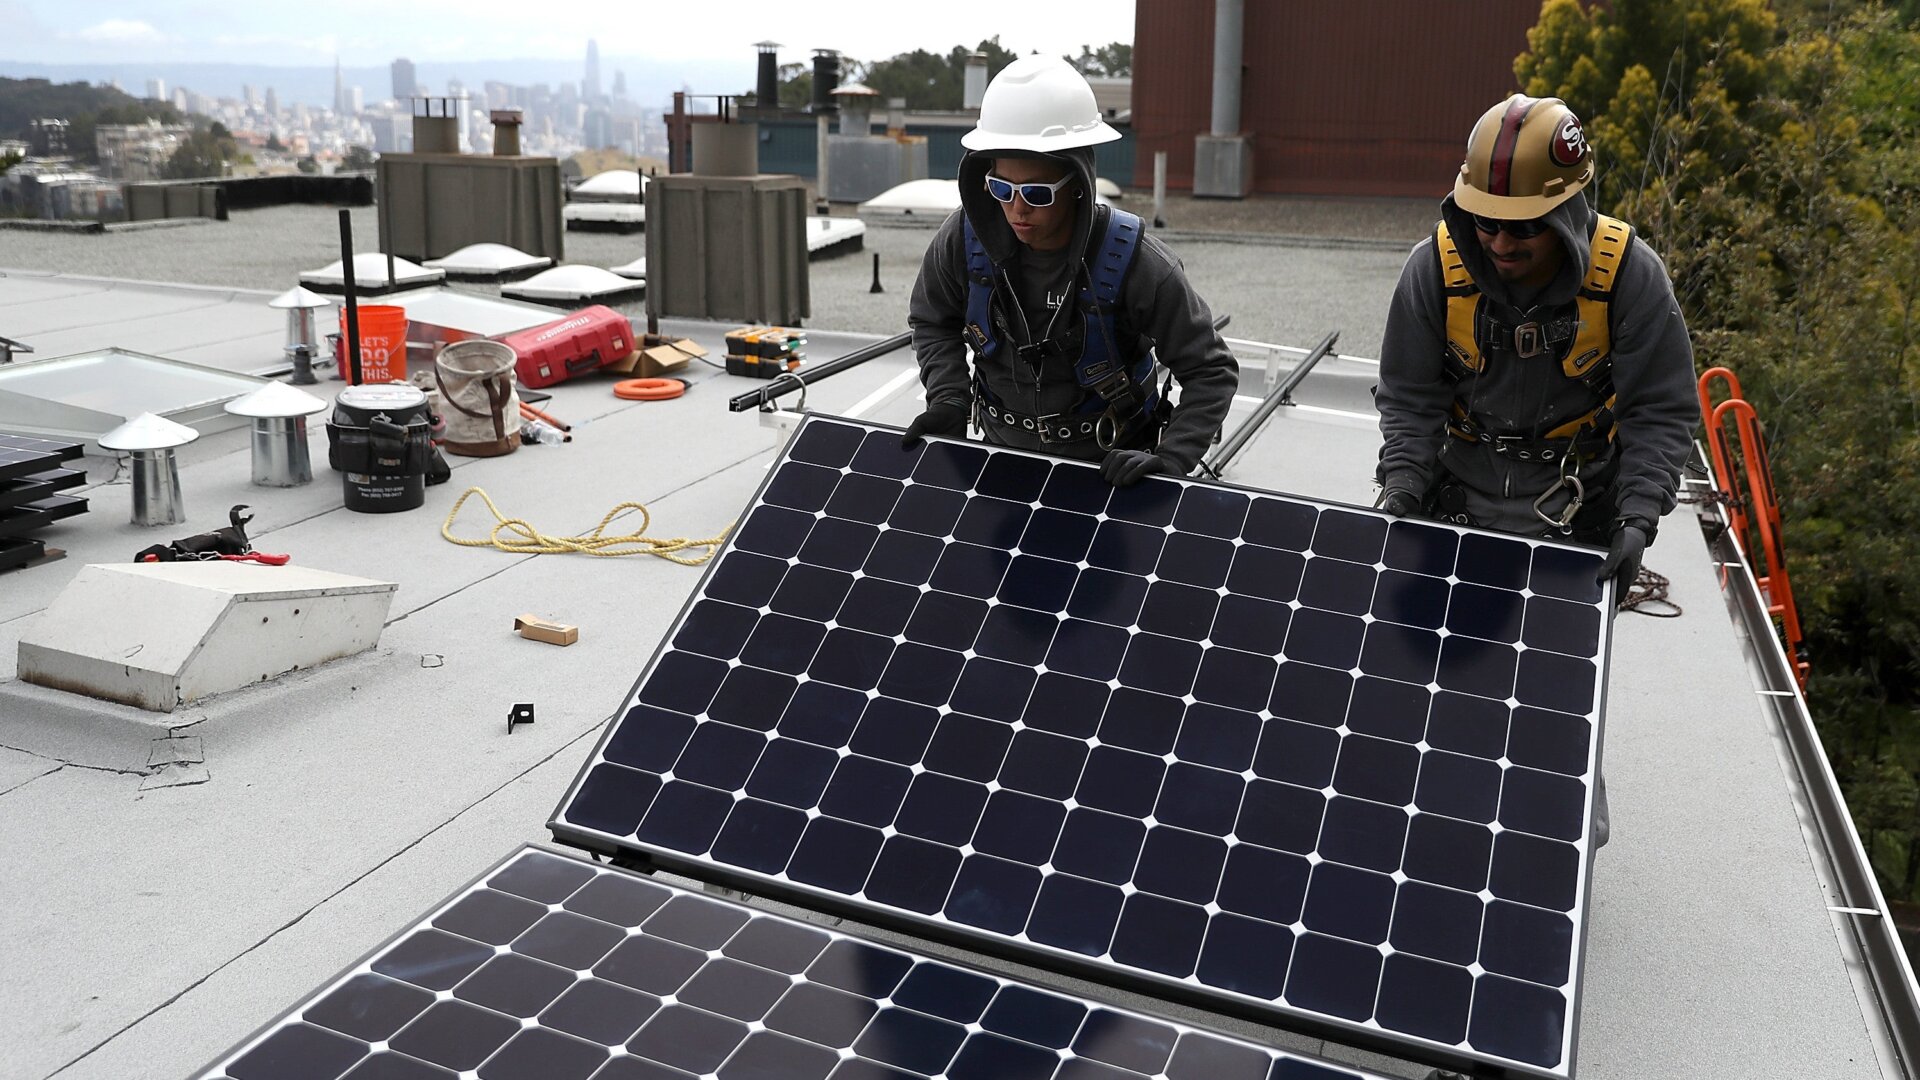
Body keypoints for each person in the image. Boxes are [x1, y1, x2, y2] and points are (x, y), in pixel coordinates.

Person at [1373, 93, 1699, 593]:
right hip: (1455, 505)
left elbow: (1659, 409)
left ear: (1566, 212)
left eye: (1525, 227)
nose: (1501, 244)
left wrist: (1637, 517)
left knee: (1553, 663)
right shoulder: (1434, 268)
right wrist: (1403, 484)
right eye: (1486, 222)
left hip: (1575, 508)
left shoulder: (1629, 276)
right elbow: (1408, 395)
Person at [903, 55, 1238, 486]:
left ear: (1078, 184)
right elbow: (931, 319)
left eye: (1037, 193)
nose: (1016, 209)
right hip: (999, 458)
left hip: (1109, 473)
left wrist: (1172, 459)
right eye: (1001, 188)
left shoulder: (1136, 262)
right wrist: (948, 399)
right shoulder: (963, 239)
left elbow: (1211, 370)